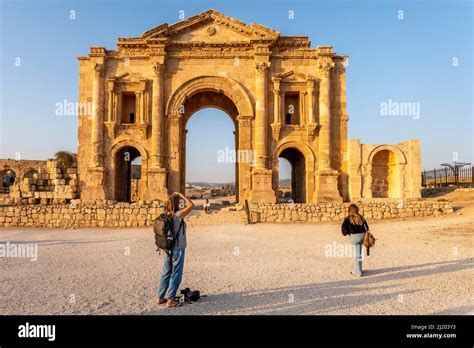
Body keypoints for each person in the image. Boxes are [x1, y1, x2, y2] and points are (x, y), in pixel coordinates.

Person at [157, 192, 194, 307]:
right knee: (176, 273)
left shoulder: (165, 215)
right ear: (177, 204)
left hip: (166, 249)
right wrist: (181, 194)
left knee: (166, 272)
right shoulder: (178, 215)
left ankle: (160, 297)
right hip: (177, 248)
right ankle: (171, 299)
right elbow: (191, 205)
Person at [341, 204, 369, 277]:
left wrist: (348, 233)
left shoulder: (348, 218)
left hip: (354, 238)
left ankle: (357, 272)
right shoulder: (361, 217)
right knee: (359, 254)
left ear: (350, 210)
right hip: (362, 236)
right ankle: (359, 269)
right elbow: (367, 227)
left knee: (357, 255)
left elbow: (343, 230)